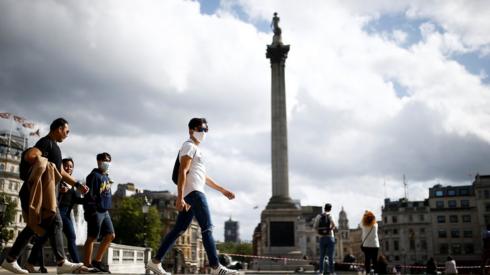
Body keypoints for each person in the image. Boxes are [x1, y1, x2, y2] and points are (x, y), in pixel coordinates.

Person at [147, 118, 239, 275]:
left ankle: (155, 262)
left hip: (193, 192)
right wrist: (180, 197)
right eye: (201, 129)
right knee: (207, 228)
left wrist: (222, 190)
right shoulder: (189, 146)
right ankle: (216, 267)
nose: (204, 132)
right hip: (195, 193)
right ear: (191, 130)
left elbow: (202, 177)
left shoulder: (197, 150)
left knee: (179, 229)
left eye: (206, 130)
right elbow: (182, 171)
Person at [1, 118, 89, 274]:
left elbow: (61, 172)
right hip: (40, 193)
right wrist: (32, 155)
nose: (67, 135)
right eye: (67, 131)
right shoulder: (46, 143)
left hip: (42, 194)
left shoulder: (54, 147)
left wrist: (77, 184)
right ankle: (61, 262)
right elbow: (32, 154)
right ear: (59, 128)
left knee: (33, 227)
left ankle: (10, 259)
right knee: (56, 222)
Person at [25, 158, 83, 272]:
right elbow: (49, 195)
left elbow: (76, 200)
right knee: (45, 238)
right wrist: (59, 192)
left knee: (47, 238)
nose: (68, 168)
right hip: (56, 212)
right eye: (66, 166)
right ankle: (75, 265)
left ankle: (30, 263)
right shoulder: (57, 179)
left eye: (71, 166)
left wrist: (92, 200)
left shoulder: (72, 184)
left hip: (65, 215)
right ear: (61, 167)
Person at [83, 152, 115, 273]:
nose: (107, 163)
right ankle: (86, 264)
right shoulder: (93, 176)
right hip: (96, 211)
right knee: (92, 237)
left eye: (109, 161)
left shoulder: (106, 176)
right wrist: (91, 211)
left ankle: (97, 261)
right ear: (99, 161)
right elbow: (89, 196)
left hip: (105, 211)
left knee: (111, 235)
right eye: (105, 160)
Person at [313, 203, 336, 274]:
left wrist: (320, 233)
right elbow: (334, 225)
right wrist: (328, 230)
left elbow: (315, 226)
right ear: (330, 209)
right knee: (330, 256)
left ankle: (321, 272)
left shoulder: (318, 216)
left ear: (324, 208)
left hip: (322, 238)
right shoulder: (331, 215)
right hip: (330, 237)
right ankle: (332, 272)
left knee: (322, 256)